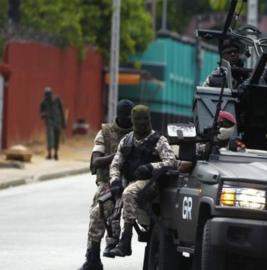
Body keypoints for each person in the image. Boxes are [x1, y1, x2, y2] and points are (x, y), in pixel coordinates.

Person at [108, 105, 176, 257]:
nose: (142, 122)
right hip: (130, 181)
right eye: (138, 119)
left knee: (128, 193)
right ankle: (111, 240)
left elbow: (172, 161)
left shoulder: (159, 140)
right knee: (108, 199)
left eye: (145, 118)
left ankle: (126, 241)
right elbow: (116, 164)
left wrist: (151, 167)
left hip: (151, 184)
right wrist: (115, 181)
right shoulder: (127, 140)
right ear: (132, 120)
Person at [79, 99, 134, 270]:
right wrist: (118, 155)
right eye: (124, 116)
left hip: (134, 182)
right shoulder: (105, 133)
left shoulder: (140, 132)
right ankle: (93, 256)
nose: (127, 120)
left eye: (129, 116)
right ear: (117, 115)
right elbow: (96, 161)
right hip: (109, 182)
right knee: (99, 211)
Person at [39, 86, 66, 160]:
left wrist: (63, 123)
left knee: (56, 138)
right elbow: (41, 111)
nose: (47, 96)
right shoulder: (44, 102)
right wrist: (44, 114)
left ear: (51, 94)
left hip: (57, 121)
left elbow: (61, 111)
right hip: (49, 122)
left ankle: (56, 153)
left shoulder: (57, 100)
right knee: (50, 138)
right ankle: (49, 154)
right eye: (46, 94)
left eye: (48, 94)